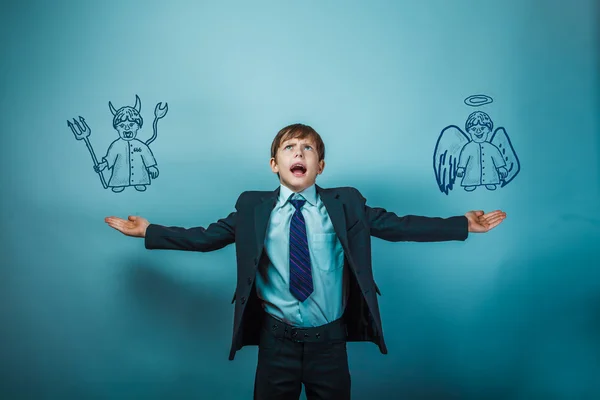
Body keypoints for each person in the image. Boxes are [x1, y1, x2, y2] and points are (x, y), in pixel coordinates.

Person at [104, 123, 506, 399]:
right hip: (275, 342)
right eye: (289, 148)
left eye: (308, 148)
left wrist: (461, 225)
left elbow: (397, 226)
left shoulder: (345, 203)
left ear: (320, 166)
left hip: (329, 343)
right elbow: (206, 238)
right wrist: (149, 231)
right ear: (275, 164)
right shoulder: (252, 207)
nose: (300, 152)